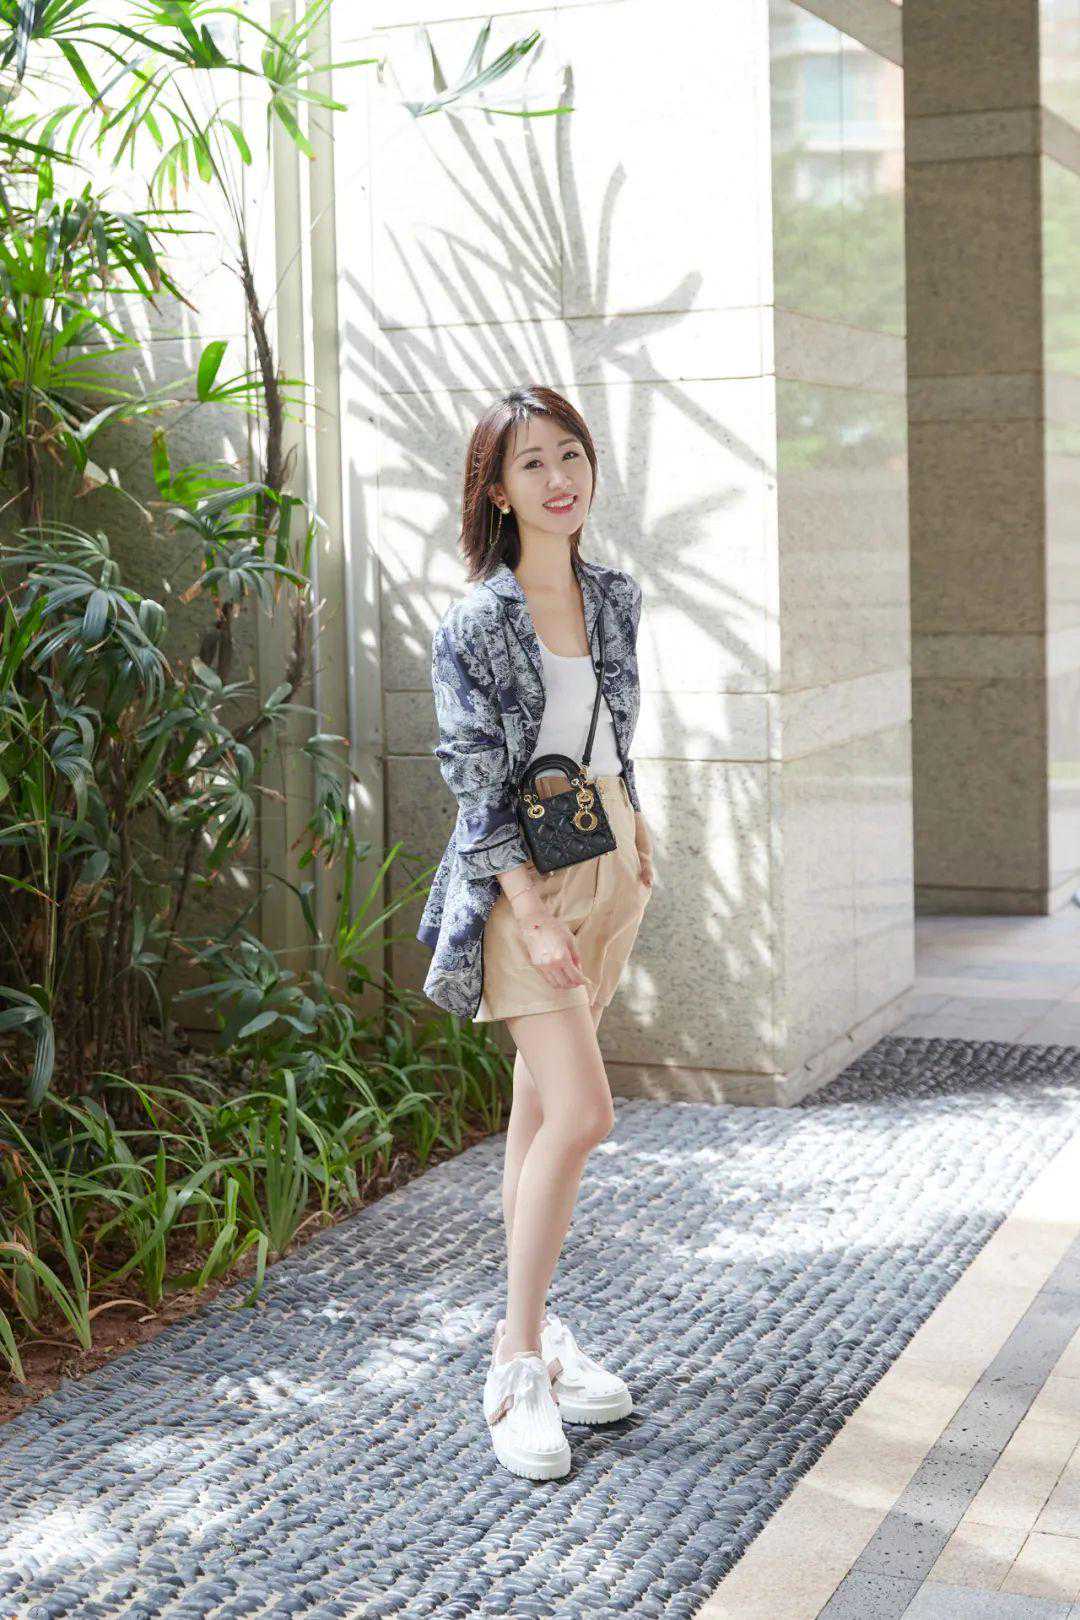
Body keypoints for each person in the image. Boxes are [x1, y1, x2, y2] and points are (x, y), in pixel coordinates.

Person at [416, 384, 654, 1480]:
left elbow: (612, 727)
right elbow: (475, 784)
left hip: (609, 858)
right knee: (585, 1113)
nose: (560, 479)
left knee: (537, 1112)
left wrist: (636, 827)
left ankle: (541, 1331)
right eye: (531, 464)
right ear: (498, 492)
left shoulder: (614, 596)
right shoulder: (477, 622)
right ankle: (513, 1360)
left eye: (571, 454)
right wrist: (529, 908)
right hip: (524, 887)